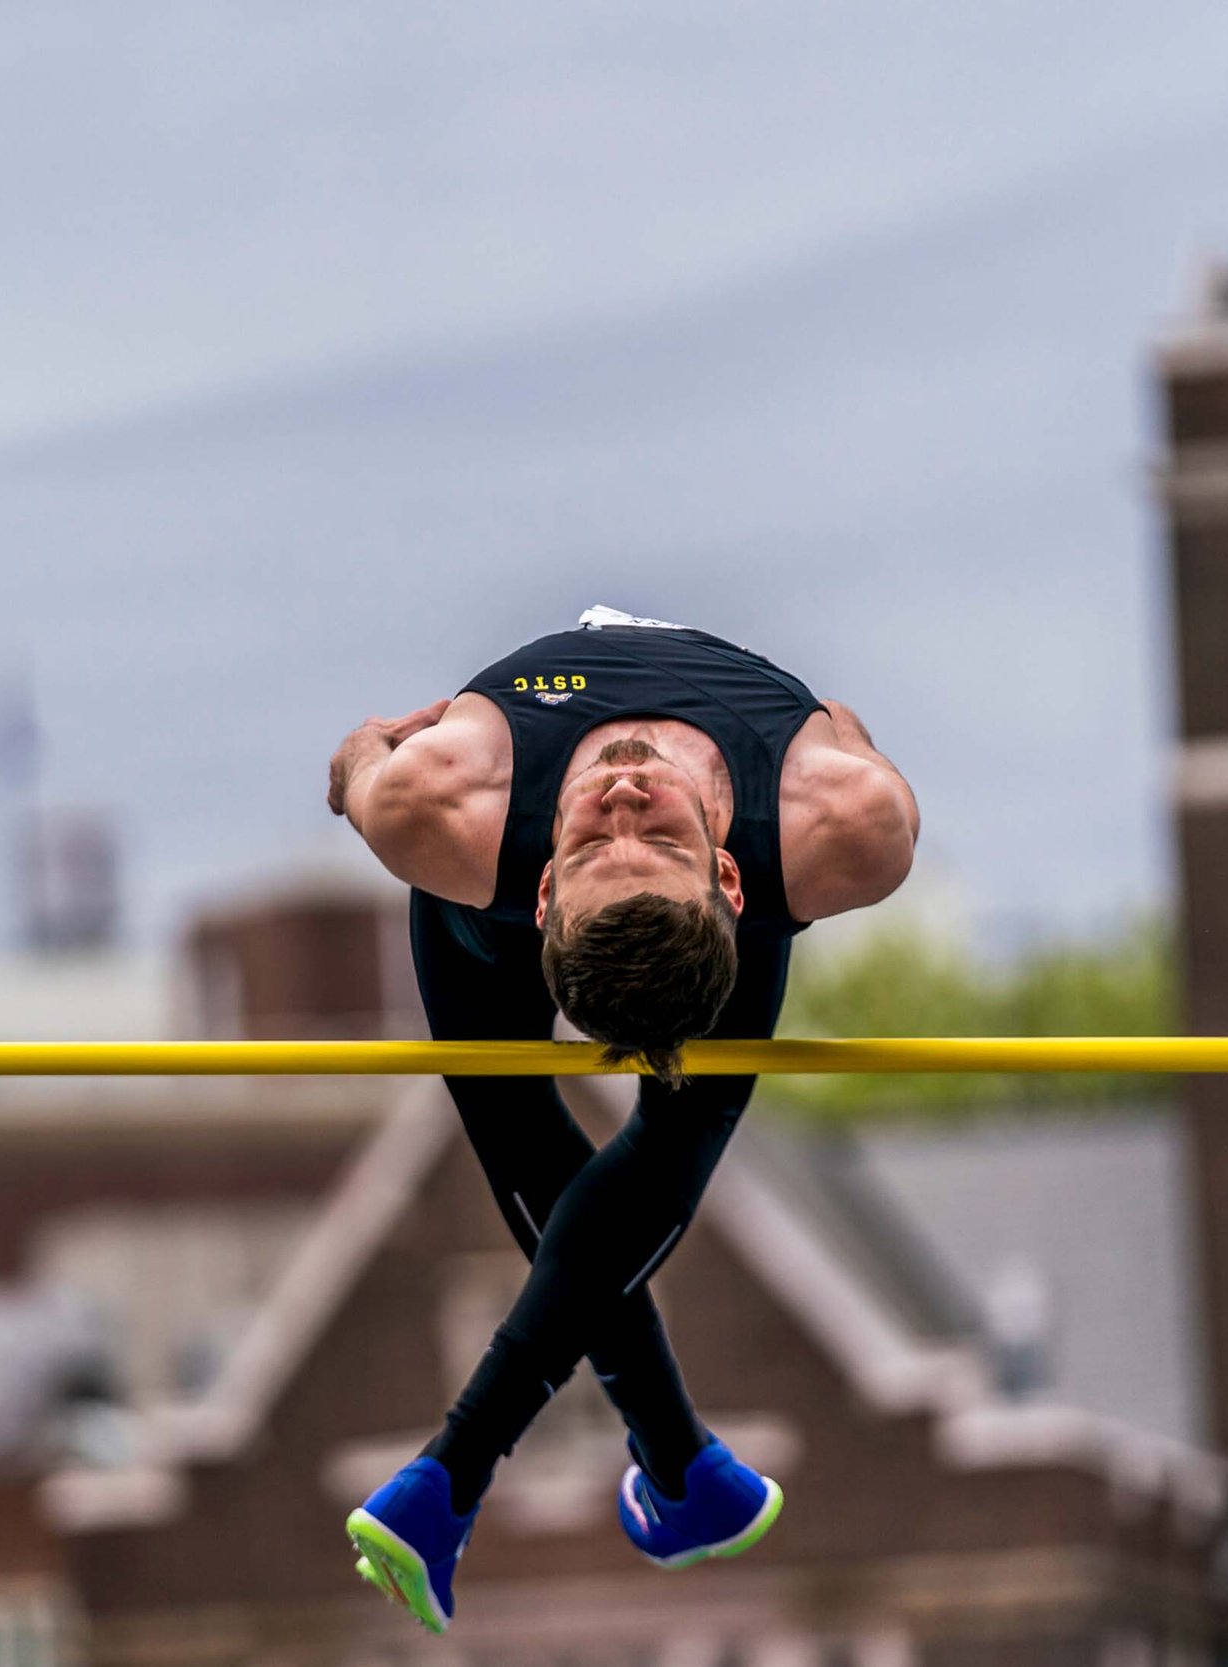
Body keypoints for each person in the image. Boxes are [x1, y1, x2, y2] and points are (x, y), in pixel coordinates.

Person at [324, 605, 920, 1632]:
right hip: (482, 901)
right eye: (609, 832)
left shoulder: (819, 830)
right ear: (548, 886)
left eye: (648, 830)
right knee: (530, 1132)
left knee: (645, 1146)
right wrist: (367, 757)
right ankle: (675, 1468)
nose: (626, 799)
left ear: (729, 877)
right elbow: (358, 774)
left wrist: (368, 756)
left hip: (686, 899)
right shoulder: (446, 803)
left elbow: (359, 771)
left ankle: (469, 1477)